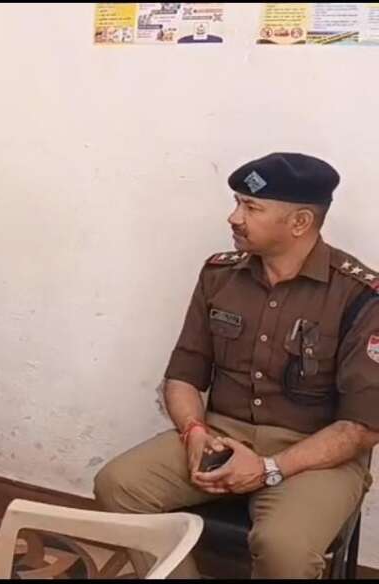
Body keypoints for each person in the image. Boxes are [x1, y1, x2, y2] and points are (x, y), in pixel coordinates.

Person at [94, 153, 379, 578]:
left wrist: (267, 469)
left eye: (251, 207)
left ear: (300, 222)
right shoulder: (219, 275)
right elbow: (183, 376)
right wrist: (194, 432)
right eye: (237, 203)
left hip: (314, 456)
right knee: (117, 486)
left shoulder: (360, 295)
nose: (234, 217)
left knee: (284, 547)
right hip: (220, 435)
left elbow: (361, 428)